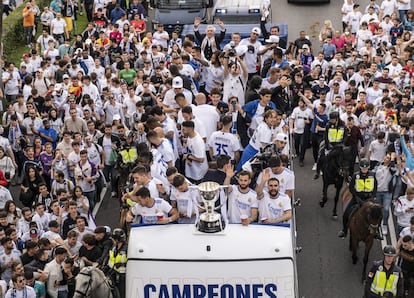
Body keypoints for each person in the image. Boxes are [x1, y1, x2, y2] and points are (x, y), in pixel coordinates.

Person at [338, 159, 378, 239]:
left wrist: (373, 197)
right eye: (363, 168)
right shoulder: (356, 175)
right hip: (357, 198)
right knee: (346, 213)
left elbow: (375, 187)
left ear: (368, 168)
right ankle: (344, 230)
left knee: (377, 214)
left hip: (369, 198)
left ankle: (377, 232)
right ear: (360, 168)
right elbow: (351, 187)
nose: (364, 170)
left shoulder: (372, 175)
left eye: (366, 168)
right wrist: (356, 197)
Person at [313, 111, 347, 180]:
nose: (331, 120)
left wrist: (342, 143)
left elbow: (345, 136)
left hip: (339, 145)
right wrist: (327, 144)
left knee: (346, 156)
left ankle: (344, 172)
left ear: (337, 119)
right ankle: (317, 172)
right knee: (320, 155)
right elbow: (325, 136)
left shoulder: (343, 126)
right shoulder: (328, 125)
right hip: (330, 144)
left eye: (332, 119)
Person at [107, 228, 127, 298]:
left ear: (117, 239)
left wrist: (122, 265)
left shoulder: (127, 249)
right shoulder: (113, 248)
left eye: (113, 238)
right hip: (113, 274)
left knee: (122, 295)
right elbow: (111, 260)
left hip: (123, 276)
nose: (112, 240)